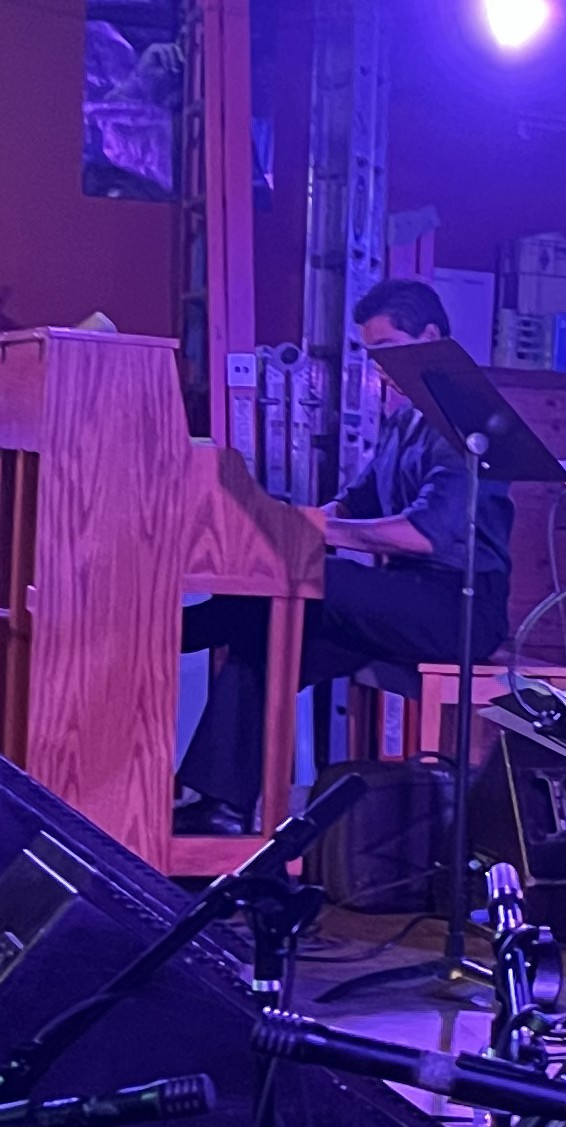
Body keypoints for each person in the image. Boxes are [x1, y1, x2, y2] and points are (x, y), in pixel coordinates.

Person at [178, 277, 511, 833]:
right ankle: (223, 810)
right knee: (267, 635)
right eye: (371, 353)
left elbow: (424, 535)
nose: (378, 366)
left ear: (430, 337)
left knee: (315, 576)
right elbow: (355, 501)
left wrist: (315, 531)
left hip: (456, 608)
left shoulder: (468, 420)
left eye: (384, 350)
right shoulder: (405, 418)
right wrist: (291, 524)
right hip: (401, 599)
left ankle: (176, 628)